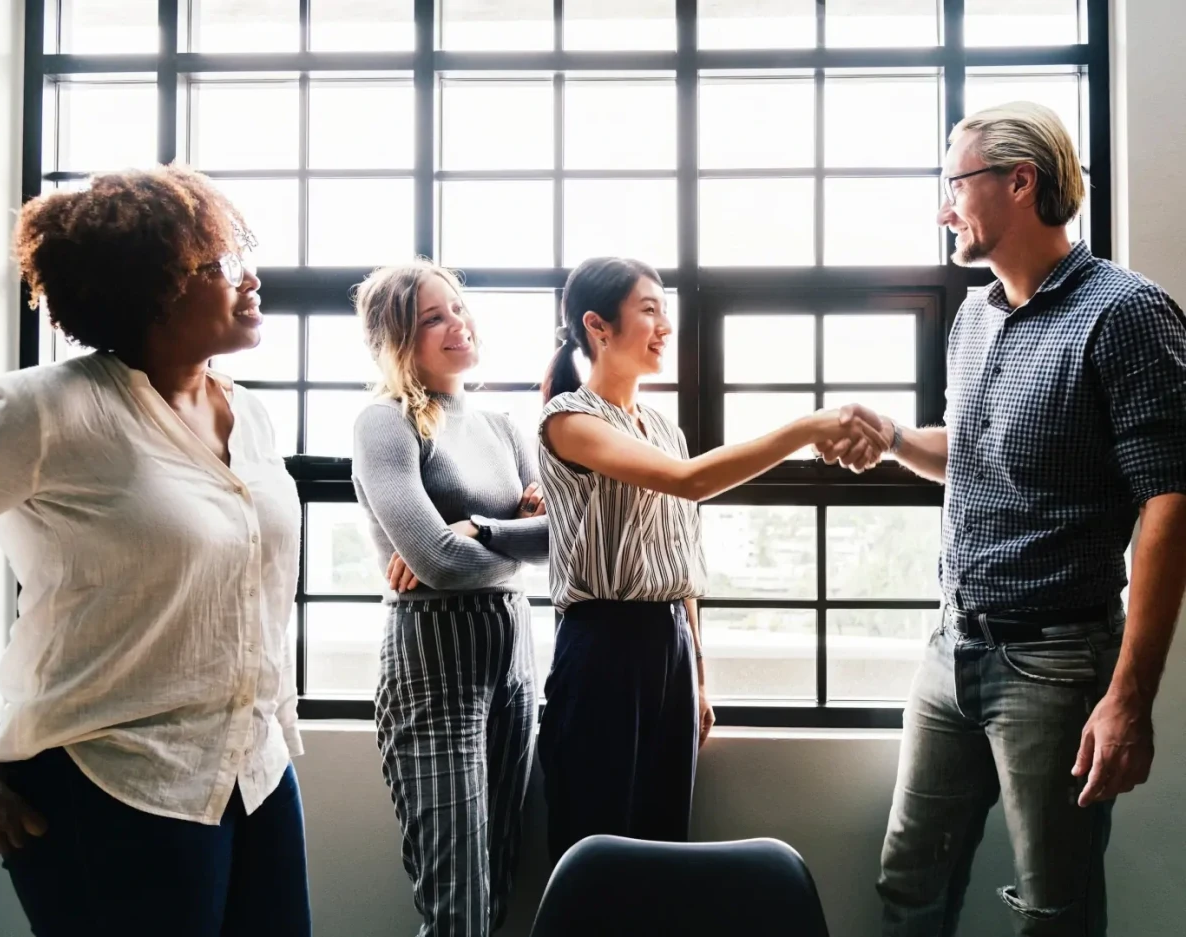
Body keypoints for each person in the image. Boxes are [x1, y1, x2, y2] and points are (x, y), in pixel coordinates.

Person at [0, 165, 310, 937]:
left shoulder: (247, 415)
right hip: (107, 787)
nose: (250, 278)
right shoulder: (42, 411)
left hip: (254, 775)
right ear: (150, 286)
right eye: (219, 264)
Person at [820, 102, 1186, 936]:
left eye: (953, 185)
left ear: (1020, 182)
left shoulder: (1126, 314)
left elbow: (1171, 500)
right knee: (908, 886)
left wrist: (1129, 698)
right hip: (951, 650)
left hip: (1056, 664)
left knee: (1053, 909)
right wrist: (896, 440)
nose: (943, 207)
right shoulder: (975, 315)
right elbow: (979, 450)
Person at [536, 256, 883, 863]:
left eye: (664, 310)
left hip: (667, 645)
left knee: (664, 842)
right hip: (602, 651)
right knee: (596, 849)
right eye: (649, 310)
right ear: (598, 325)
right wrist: (805, 428)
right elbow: (689, 483)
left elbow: (680, 556)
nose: (664, 324)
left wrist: (697, 675)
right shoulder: (569, 419)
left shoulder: (663, 428)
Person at [350, 260, 550, 937]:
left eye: (457, 308)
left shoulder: (502, 426)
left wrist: (483, 530)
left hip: (511, 651)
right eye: (432, 317)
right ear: (397, 338)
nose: (456, 323)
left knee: (499, 879)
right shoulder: (386, 423)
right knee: (456, 901)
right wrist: (513, 538)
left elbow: (568, 539)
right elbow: (434, 560)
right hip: (432, 658)